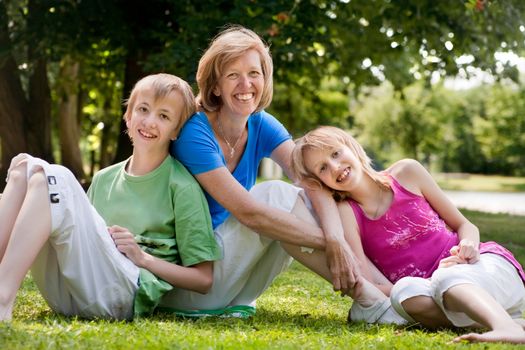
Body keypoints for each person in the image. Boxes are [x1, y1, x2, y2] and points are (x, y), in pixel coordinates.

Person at [168, 25, 403, 323]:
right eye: (232, 75)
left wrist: (335, 235)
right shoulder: (195, 134)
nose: (246, 84)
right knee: (275, 195)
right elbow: (249, 213)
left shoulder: (261, 123)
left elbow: (310, 180)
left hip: (234, 288)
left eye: (254, 73)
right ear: (215, 86)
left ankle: (391, 293)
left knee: (303, 196)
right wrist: (329, 242)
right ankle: (371, 299)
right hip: (191, 281)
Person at [0, 73, 222, 321]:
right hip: (72, 291)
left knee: (55, 177)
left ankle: (2, 299)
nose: (149, 121)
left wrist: (143, 258)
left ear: (176, 131)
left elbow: (204, 279)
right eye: (143, 109)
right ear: (128, 116)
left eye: (164, 116)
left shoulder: (182, 186)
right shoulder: (104, 178)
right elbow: (86, 240)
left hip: (123, 294)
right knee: (24, 170)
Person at [290, 125, 525, 344]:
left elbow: (465, 225)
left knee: (447, 278)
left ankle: (507, 327)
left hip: (482, 267)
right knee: (404, 292)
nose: (335, 167)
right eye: (322, 168)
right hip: (439, 295)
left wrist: (468, 246)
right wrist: (430, 282)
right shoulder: (347, 213)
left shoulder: (407, 172)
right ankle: (501, 320)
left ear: (351, 147)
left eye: (335, 153)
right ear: (320, 181)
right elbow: (367, 282)